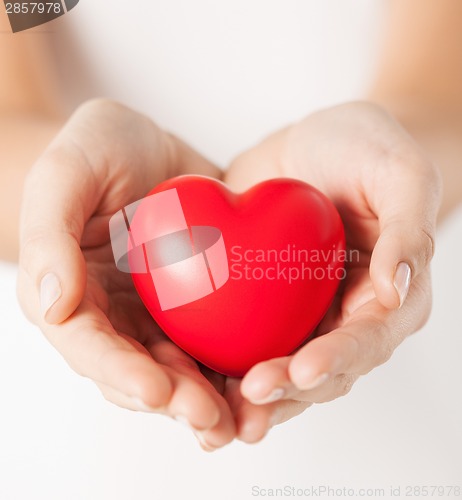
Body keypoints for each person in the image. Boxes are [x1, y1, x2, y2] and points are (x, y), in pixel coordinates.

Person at [1, 0, 461, 453]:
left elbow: (443, 99)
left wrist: (393, 175)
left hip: (398, 404)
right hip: (69, 419)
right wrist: (67, 207)